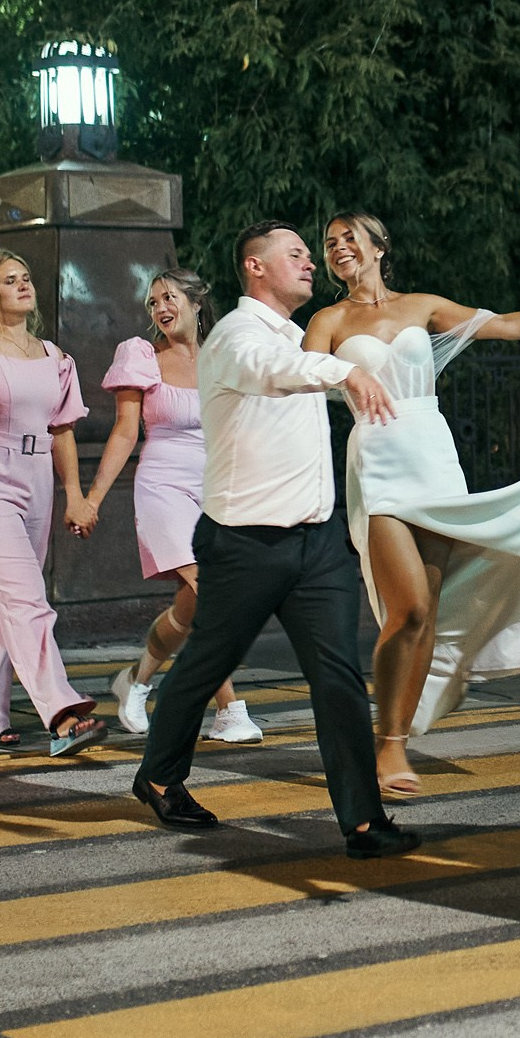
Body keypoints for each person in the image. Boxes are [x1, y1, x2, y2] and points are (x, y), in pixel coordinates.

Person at [302, 210, 520, 795]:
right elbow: (298, 377)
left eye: (349, 238)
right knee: (405, 609)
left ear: (379, 248)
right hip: (376, 461)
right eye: (329, 243)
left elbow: (506, 326)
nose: (337, 248)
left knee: (425, 610)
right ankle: (384, 745)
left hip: (433, 457)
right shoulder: (327, 319)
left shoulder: (422, 306)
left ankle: (396, 739)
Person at [128, 220, 417, 859]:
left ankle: (364, 823)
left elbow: (296, 365)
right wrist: (344, 370)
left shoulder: (295, 336)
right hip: (245, 543)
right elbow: (273, 371)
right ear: (255, 268)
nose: (311, 263)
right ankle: (156, 774)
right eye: (296, 255)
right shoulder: (235, 335)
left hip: (317, 545)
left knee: (339, 676)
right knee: (208, 663)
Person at [0, 250, 109, 756]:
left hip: (38, 479)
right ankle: (60, 711)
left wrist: (75, 496)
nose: (21, 285)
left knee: (5, 599)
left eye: (25, 277)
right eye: (8, 280)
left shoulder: (56, 357)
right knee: (26, 597)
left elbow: (62, 431)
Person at [91, 270, 261, 744]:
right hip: (163, 484)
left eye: (169, 298)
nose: (160, 308)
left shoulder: (224, 356)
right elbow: (126, 432)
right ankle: (230, 709)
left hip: (217, 486)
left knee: (189, 609)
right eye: (152, 302)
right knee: (212, 592)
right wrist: (93, 499)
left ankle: (137, 679)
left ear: (195, 302)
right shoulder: (141, 356)